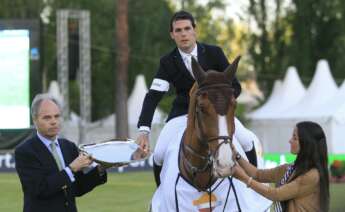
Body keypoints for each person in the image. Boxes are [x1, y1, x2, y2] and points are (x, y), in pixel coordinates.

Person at [136, 10, 258, 186]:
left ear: (195, 31)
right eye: (178, 30)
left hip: (217, 113)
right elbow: (153, 96)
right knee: (160, 152)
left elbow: (236, 87)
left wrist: (220, 107)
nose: (183, 34)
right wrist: (144, 130)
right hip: (182, 114)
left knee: (247, 140)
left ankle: (254, 185)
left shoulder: (214, 53)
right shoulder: (167, 62)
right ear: (172, 35)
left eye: (187, 28)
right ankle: (161, 195)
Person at [15, 94, 109, 212]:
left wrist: (101, 168)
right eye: (47, 118)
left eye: (57, 116)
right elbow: (39, 190)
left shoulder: (68, 146)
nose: (54, 121)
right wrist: (71, 169)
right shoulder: (25, 152)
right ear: (34, 120)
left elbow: (78, 188)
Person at [232, 121, 330, 212]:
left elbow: (276, 194)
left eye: (295, 138)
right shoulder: (289, 169)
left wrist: (244, 178)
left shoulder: (312, 175)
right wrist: (236, 155)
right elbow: (258, 174)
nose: (290, 140)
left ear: (306, 143)